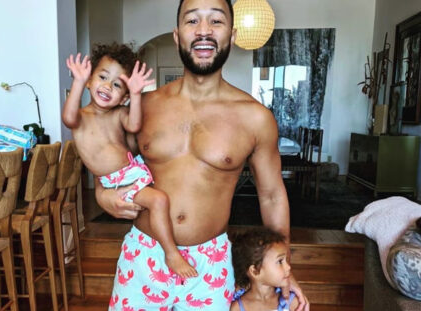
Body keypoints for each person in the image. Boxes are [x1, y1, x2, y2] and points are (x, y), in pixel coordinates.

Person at [95, 0, 311, 310]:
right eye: (193, 21)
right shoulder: (144, 107)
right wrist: (103, 195)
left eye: (216, 21)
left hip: (210, 264)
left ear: (232, 35)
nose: (204, 31)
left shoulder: (255, 118)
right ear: (177, 34)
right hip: (144, 254)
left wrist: (283, 266)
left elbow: (273, 196)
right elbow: (106, 157)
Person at [62, 43, 198, 279]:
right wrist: (77, 81)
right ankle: (171, 253)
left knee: (169, 195)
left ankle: (163, 248)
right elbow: (67, 117)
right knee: (159, 201)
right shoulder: (80, 117)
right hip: (116, 181)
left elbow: (134, 125)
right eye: (102, 77)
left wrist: (135, 95)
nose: (107, 86)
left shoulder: (119, 114)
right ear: (89, 82)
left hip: (134, 170)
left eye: (117, 85)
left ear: (123, 96)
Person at [230, 227, 298, 311]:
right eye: (280, 261)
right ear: (255, 271)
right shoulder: (237, 308)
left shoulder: (292, 303)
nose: (288, 267)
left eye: (286, 260)